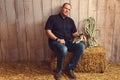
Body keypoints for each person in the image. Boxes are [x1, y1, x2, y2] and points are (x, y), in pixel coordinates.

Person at [45, 3, 86, 80]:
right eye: (65, 8)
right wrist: (58, 39)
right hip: (55, 42)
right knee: (64, 49)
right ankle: (58, 70)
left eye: (68, 9)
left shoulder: (70, 21)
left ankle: (70, 68)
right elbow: (48, 31)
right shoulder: (52, 18)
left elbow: (74, 33)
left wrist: (81, 36)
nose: (67, 10)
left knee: (81, 46)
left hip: (68, 42)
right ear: (61, 8)